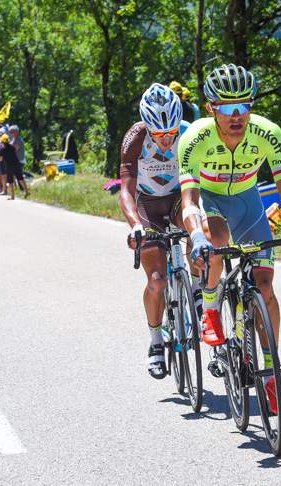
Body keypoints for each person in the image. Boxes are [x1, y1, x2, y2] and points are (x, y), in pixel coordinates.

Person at [178, 64, 281, 413]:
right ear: (211, 109)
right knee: (215, 238)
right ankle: (209, 309)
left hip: (249, 203)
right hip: (212, 198)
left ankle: (270, 377)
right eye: (227, 108)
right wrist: (196, 236)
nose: (237, 116)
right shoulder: (195, 139)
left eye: (244, 106)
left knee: (265, 287)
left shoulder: (268, 133)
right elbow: (189, 200)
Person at [119, 83, 190, 379]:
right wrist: (135, 225)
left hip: (177, 198)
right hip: (147, 204)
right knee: (158, 280)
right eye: (159, 134)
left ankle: (199, 295)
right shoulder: (135, 137)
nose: (166, 139)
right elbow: (125, 187)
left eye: (171, 132)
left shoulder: (189, 132)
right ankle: (156, 343)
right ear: (148, 127)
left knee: (199, 232)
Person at [0, 134, 29, 199]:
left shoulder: (2, 150)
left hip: (9, 166)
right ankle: (26, 191)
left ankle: (12, 196)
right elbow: (15, 150)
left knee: (10, 181)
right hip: (16, 164)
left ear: (2, 142)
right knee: (20, 178)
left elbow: (0, 159)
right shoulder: (12, 147)